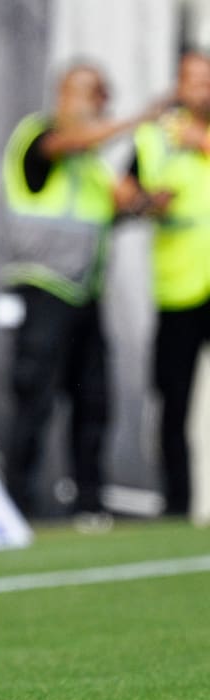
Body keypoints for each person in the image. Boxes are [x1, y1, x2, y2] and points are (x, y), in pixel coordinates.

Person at [0, 64, 163, 529]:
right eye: (92, 92)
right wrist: (137, 120)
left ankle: (89, 501)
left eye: (103, 94)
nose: (99, 103)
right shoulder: (37, 134)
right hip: (42, 287)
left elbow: (115, 209)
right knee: (34, 399)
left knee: (93, 401)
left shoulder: (93, 166)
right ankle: (17, 502)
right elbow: (63, 145)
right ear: (64, 94)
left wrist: (146, 204)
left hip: (85, 294)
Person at [126, 50, 210, 518]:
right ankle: (178, 507)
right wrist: (145, 202)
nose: (201, 88)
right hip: (179, 289)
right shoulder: (154, 135)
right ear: (178, 84)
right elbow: (127, 194)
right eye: (192, 79)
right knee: (173, 400)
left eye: (207, 79)